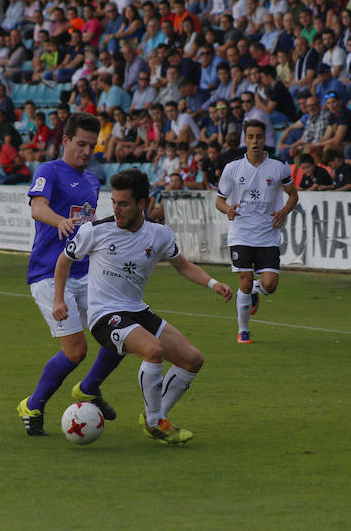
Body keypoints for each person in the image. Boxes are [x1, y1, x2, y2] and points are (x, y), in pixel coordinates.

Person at [52, 168, 232, 444]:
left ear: (142, 203)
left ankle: (155, 416)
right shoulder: (96, 231)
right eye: (113, 202)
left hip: (136, 310)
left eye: (123, 204)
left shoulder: (159, 234)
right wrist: (59, 299)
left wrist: (213, 284)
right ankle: (155, 421)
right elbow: (64, 260)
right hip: (105, 315)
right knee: (154, 351)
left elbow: (183, 266)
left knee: (192, 359)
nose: (117, 210)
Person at [17, 113, 124, 437]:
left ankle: (89, 388)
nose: (87, 151)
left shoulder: (92, 180)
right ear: (64, 141)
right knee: (76, 351)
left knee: (122, 333)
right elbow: (37, 207)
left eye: (92, 146)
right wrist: (58, 220)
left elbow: (87, 225)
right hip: (49, 274)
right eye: (81, 144)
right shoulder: (48, 171)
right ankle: (33, 404)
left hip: (85, 272)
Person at [216, 120, 298, 345]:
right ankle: (243, 331)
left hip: (268, 234)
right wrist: (228, 209)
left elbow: (293, 195)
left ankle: (254, 290)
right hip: (241, 234)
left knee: (270, 285)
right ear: (245, 138)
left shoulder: (279, 166)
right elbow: (219, 200)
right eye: (250, 137)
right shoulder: (233, 168)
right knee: (244, 281)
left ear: (264, 139)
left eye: (259, 137)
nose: (254, 141)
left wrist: (283, 211)